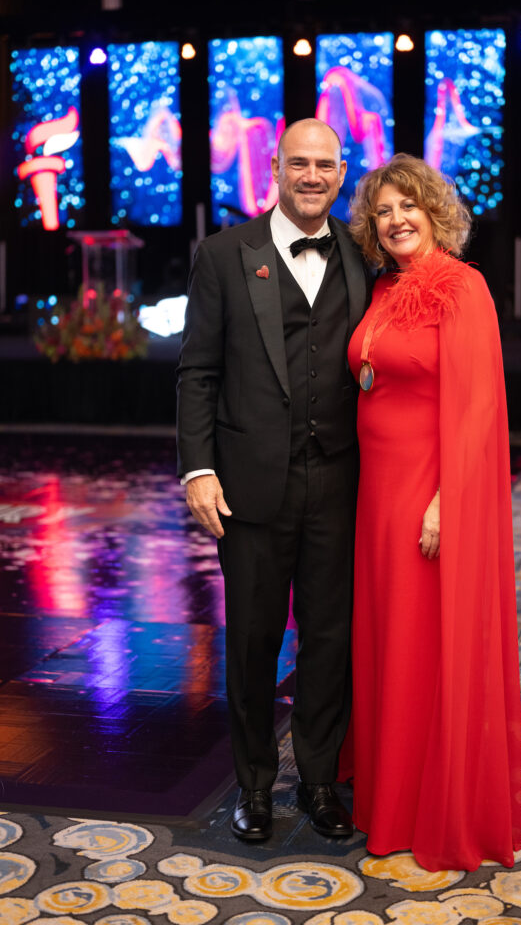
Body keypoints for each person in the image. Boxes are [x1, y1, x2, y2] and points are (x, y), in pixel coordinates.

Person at [176, 118, 370, 843]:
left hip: (343, 481)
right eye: (299, 164)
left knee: (329, 639)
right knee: (254, 642)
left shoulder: (361, 252)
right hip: (249, 485)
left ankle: (318, 782)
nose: (312, 176)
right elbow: (198, 371)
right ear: (275, 168)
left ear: (342, 170)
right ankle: (254, 786)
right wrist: (198, 469)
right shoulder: (226, 254)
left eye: (324, 164)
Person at [342, 153, 521, 871]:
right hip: (376, 497)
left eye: (407, 206)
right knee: (391, 644)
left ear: (434, 211)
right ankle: (391, 801)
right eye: (383, 211)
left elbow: (479, 407)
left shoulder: (464, 287)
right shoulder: (386, 288)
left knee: (428, 645)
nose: (394, 220)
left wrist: (446, 503)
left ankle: (438, 808)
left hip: (427, 494)